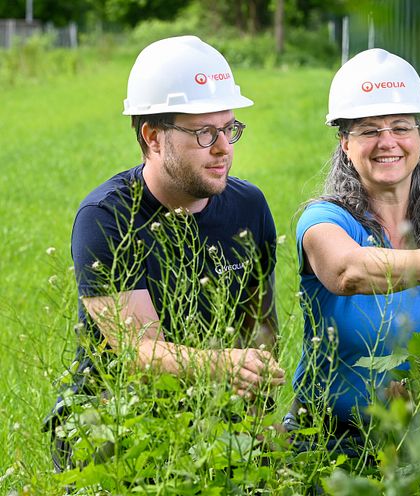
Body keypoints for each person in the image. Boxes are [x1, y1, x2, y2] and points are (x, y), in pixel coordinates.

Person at [46, 35, 284, 472]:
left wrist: (255, 418)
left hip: (214, 408)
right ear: (153, 137)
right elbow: (139, 352)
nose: (223, 148)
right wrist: (227, 366)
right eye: (204, 132)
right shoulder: (107, 217)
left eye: (229, 128)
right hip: (114, 413)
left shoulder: (249, 207)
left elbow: (261, 329)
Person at [287, 49, 420, 444]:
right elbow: (346, 271)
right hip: (329, 439)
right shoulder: (324, 221)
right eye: (369, 130)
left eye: (401, 127)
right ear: (345, 144)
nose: (387, 141)